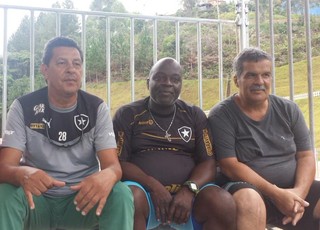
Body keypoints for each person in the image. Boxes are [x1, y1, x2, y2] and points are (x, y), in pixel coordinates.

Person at [0, 36, 134, 230]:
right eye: (61, 62)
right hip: (37, 201)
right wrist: (22, 173)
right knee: (4, 193)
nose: (71, 69)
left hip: (81, 201)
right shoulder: (24, 107)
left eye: (77, 64)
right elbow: (4, 167)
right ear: (45, 70)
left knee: (120, 193)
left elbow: (113, 167)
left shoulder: (96, 108)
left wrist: (109, 175)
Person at [113, 57, 236, 230]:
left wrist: (189, 190)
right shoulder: (127, 114)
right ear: (148, 83)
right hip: (145, 196)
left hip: (189, 199)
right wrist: (153, 186)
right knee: (130, 197)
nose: (167, 83)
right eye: (160, 78)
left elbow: (208, 162)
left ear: (181, 85)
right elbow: (119, 162)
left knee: (221, 201)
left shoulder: (194, 115)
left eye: (175, 79)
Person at [208, 47, 320, 230]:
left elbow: (306, 156)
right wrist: (276, 194)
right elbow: (229, 165)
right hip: (248, 190)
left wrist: (298, 194)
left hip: (292, 191)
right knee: (249, 199)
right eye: (251, 75)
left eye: (266, 75)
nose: (259, 81)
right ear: (237, 80)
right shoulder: (222, 115)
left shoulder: (288, 109)